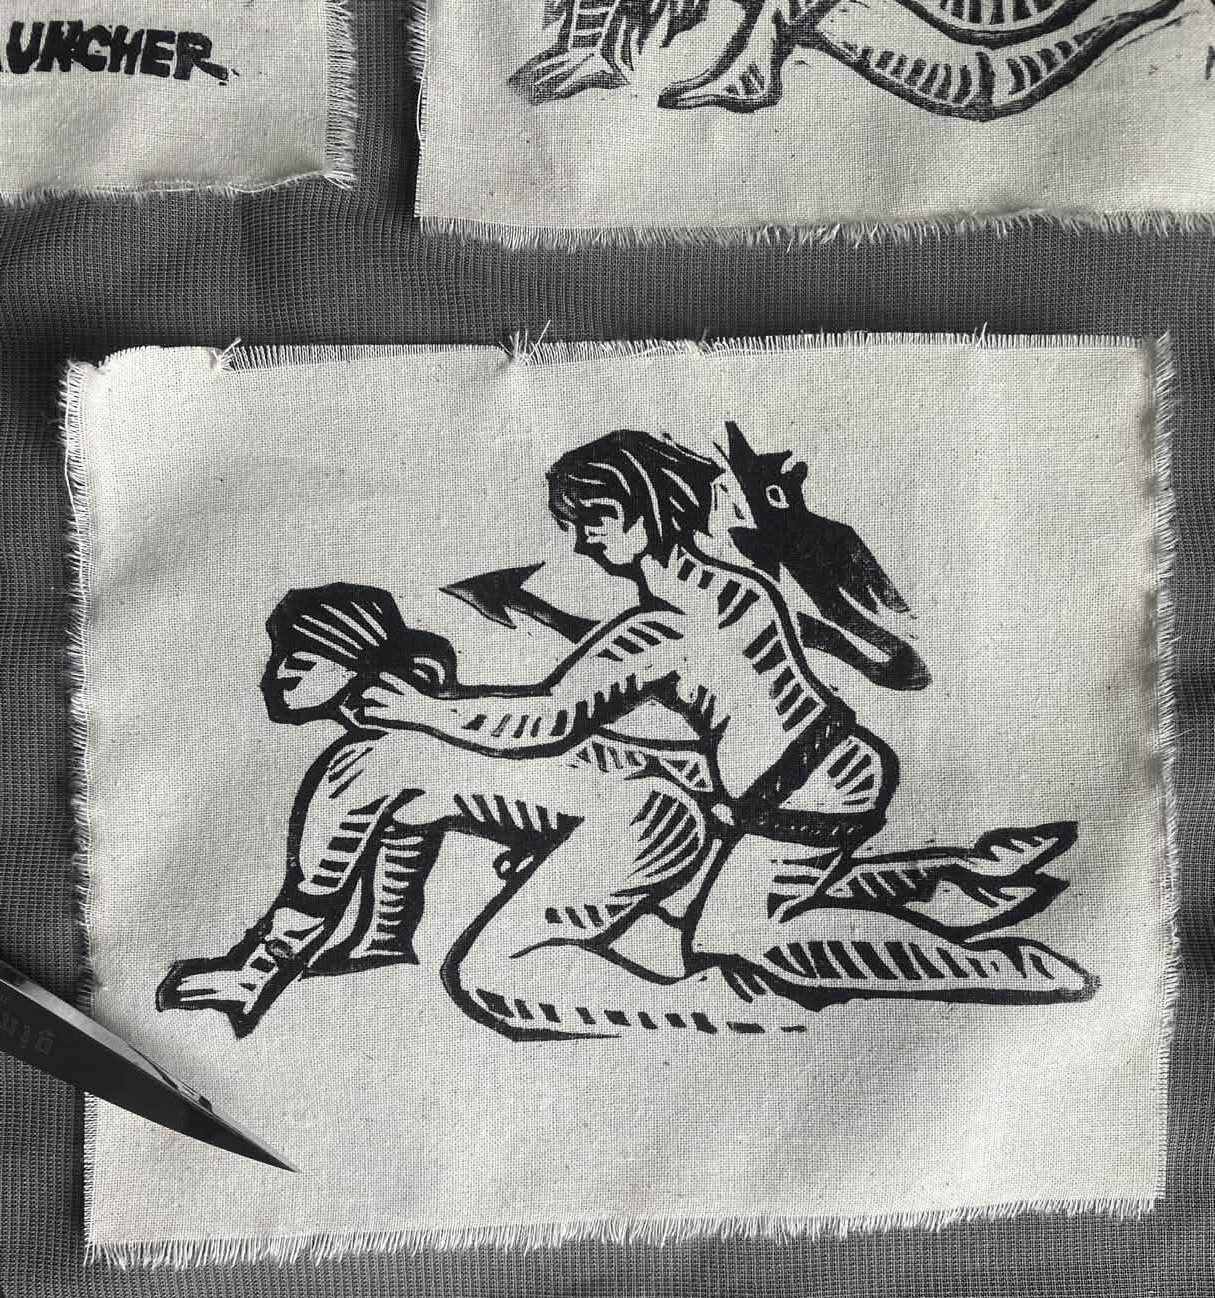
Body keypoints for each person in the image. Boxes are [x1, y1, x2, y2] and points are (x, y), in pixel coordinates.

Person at [158, 431, 1092, 1041]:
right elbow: (678, 715)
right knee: (729, 909)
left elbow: (544, 720)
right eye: (575, 525)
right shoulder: (724, 585)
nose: (582, 541)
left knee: (737, 940)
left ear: (643, 512)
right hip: (812, 773)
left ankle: (1001, 969)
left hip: (799, 790)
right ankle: (960, 882)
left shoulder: (661, 626)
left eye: (593, 521)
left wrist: (429, 712)